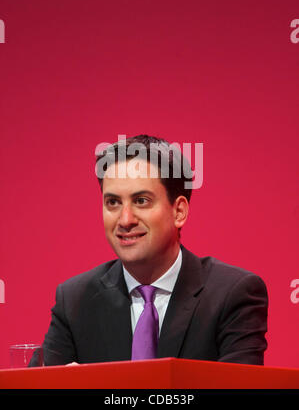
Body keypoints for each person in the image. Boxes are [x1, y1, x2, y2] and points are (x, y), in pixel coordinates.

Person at [30, 135, 268, 367]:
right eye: (113, 202)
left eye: (141, 200)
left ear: (179, 212)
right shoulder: (74, 300)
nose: (125, 219)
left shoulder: (233, 294)